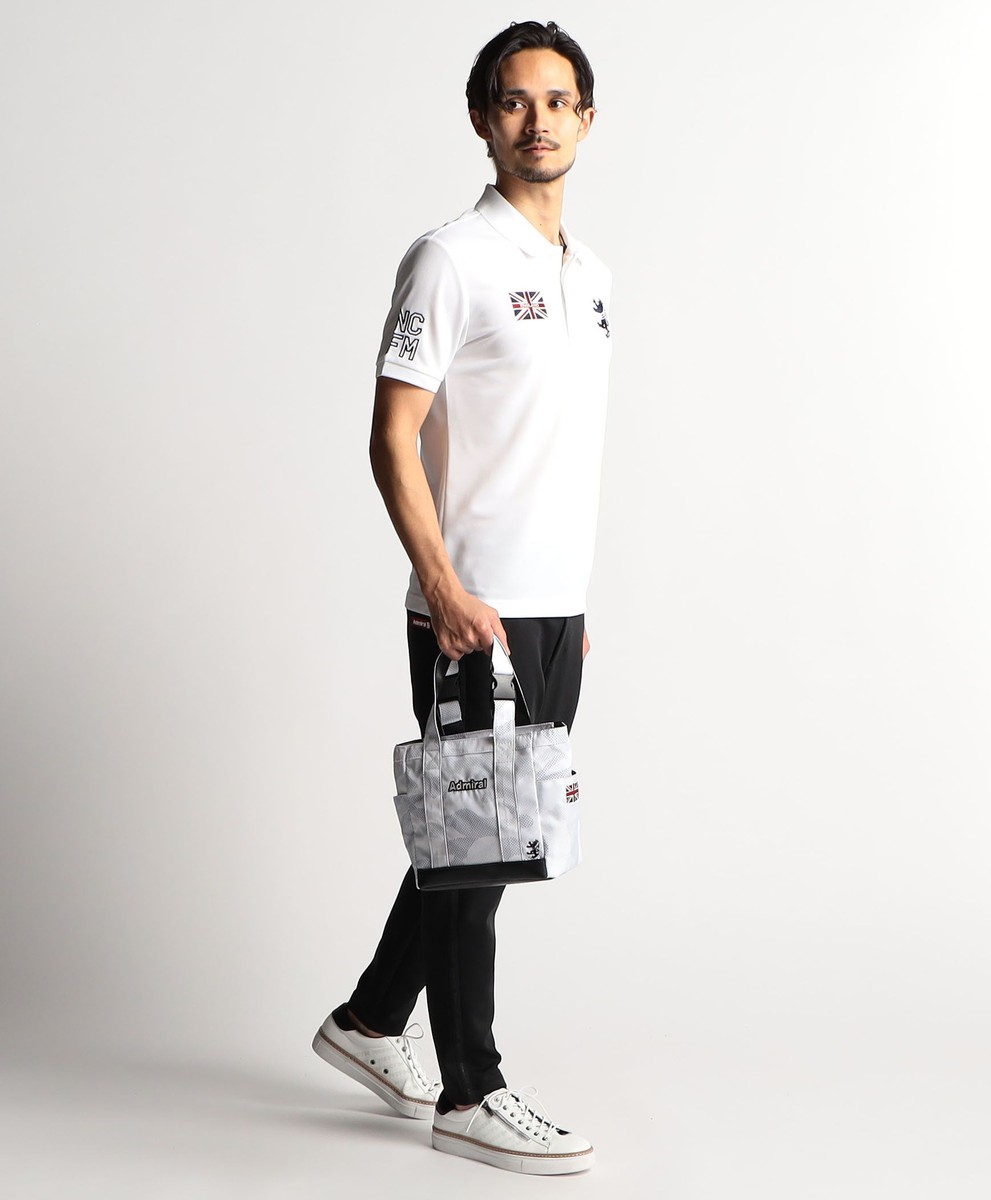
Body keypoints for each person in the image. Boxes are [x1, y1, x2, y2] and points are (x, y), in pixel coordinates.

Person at [312, 20, 612, 1176]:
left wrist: (568, 604)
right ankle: (470, 1090)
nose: (538, 120)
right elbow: (390, 437)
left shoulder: (591, 278)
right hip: (469, 607)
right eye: (514, 100)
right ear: (483, 119)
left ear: (587, 119)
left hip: (552, 609)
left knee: (485, 834)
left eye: (557, 100)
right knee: (479, 847)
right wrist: (443, 586)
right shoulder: (449, 259)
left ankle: (370, 1020)